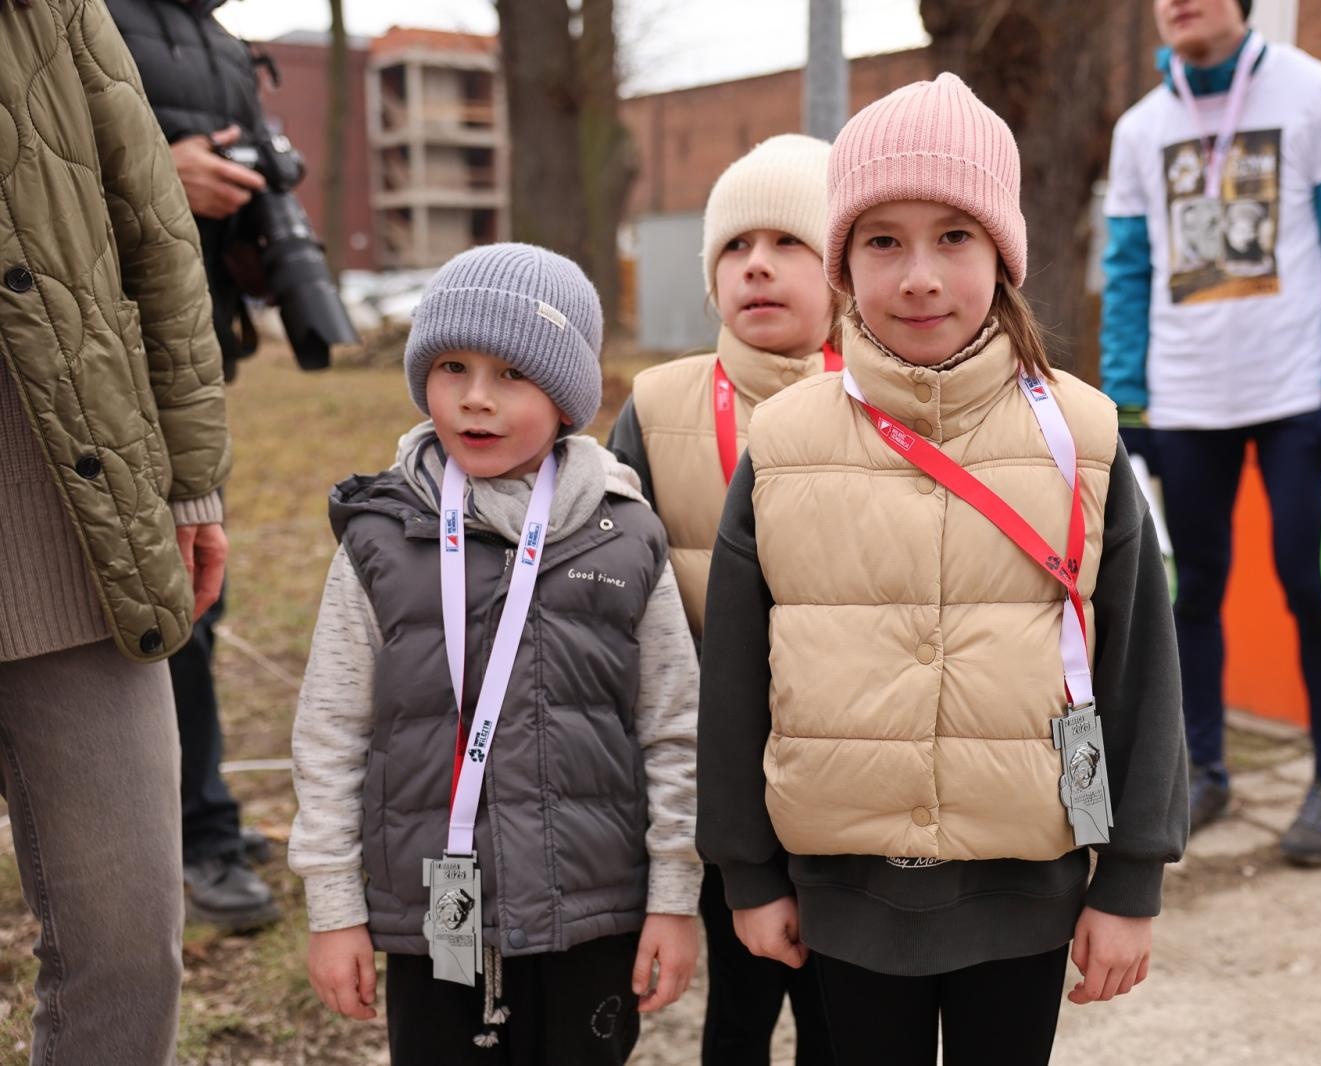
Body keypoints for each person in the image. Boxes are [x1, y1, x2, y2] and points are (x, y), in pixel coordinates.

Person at [697, 74, 1187, 1066]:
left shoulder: (1084, 439)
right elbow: (737, 679)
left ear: (1002, 255)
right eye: (882, 240)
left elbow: (1141, 666)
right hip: (845, 899)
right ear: (844, 261)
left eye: (953, 237)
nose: (918, 274)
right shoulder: (785, 442)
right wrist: (747, 870)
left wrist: (1130, 877)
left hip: (1026, 894)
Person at [288, 244, 702, 1063]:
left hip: (593, 915)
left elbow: (673, 730)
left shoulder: (628, 537)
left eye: (513, 374)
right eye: (451, 366)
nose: (476, 399)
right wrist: (335, 907)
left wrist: (674, 898)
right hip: (432, 920)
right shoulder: (381, 540)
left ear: (568, 396)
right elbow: (330, 730)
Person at [1100, 0, 1321, 865]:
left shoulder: (1316, 93)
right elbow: (1126, 267)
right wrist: (1127, 399)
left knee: (1312, 584)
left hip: (1300, 393)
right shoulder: (1139, 129)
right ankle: (1207, 770)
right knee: (1191, 592)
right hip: (1187, 402)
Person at [0, 0, 232, 1061]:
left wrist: (187, 488)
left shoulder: (54, 12)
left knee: (128, 950)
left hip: (71, 543)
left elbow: (156, 233)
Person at [607, 133, 837, 1066]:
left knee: (841, 1014)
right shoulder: (657, 407)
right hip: (720, 780)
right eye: (736, 250)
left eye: (790, 244)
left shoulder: (889, 401)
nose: (758, 266)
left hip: (842, 777)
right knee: (737, 1014)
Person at [105, 0, 281, 928]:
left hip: (194, 352)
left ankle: (195, 811)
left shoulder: (222, 40)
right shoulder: (77, 16)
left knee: (199, 590)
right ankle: (185, 832)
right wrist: (156, 177)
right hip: (93, 357)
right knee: (159, 593)